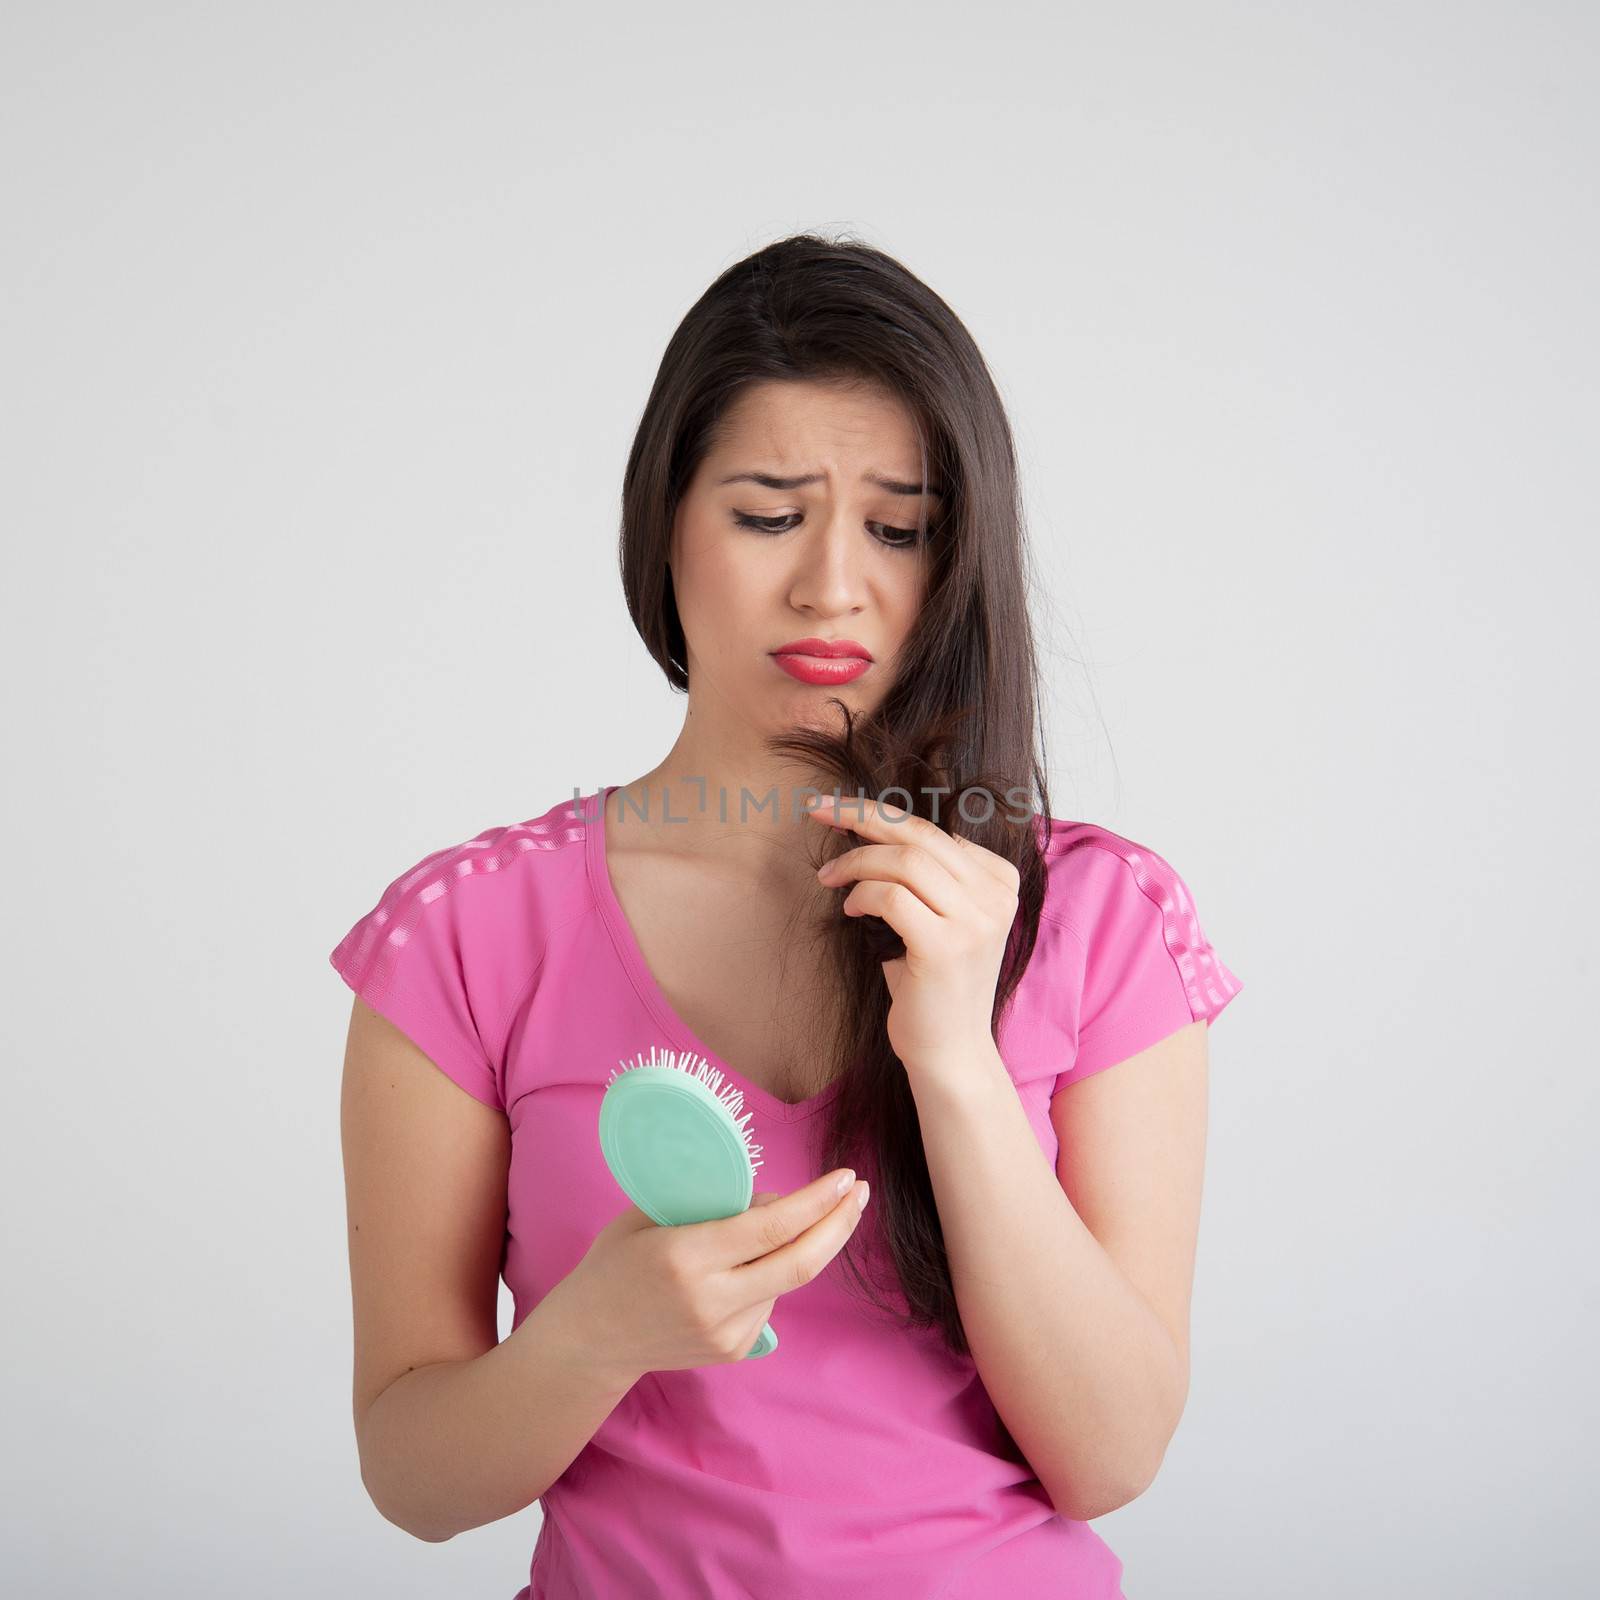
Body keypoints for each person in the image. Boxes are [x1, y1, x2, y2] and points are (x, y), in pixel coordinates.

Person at [331, 233, 1242, 1599]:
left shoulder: (1105, 920)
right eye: (768, 513)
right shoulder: (467, 933)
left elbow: (1108, 1458)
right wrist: (596, 1334)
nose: (831, 585)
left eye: (898, 527)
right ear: (666, 526)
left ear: (958, 558)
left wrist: (954, 1057)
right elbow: (413, 1476)